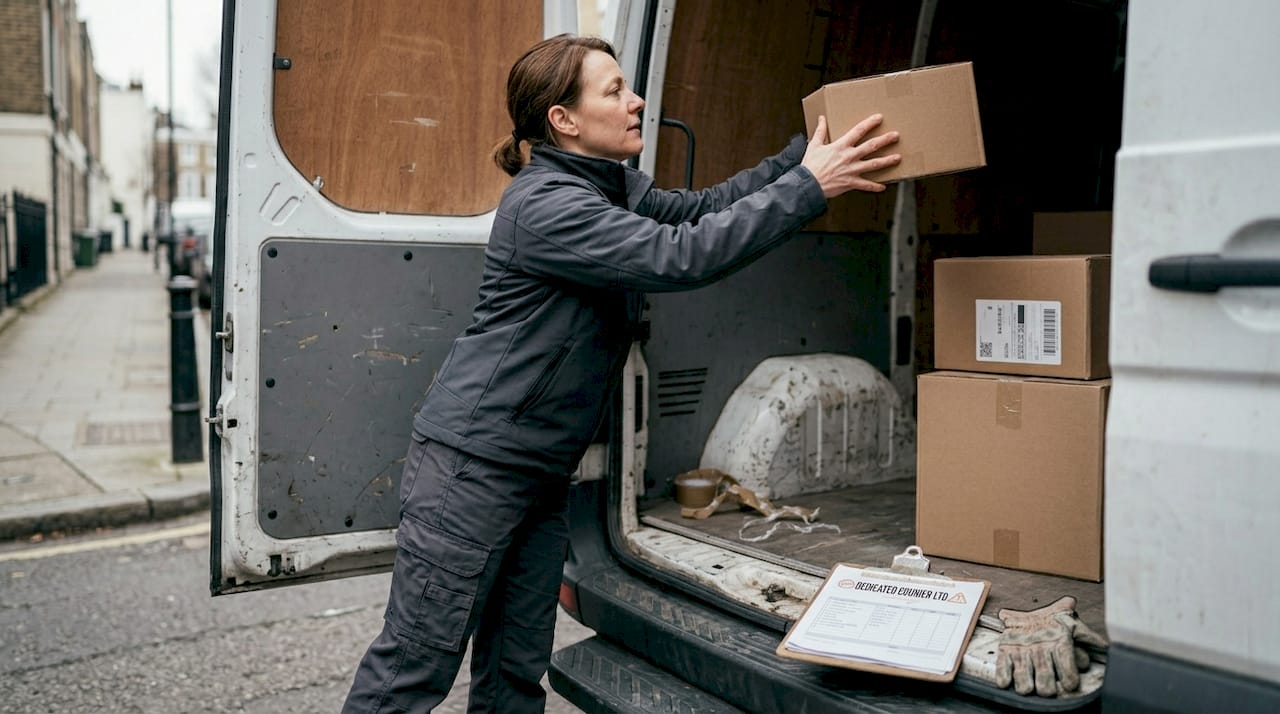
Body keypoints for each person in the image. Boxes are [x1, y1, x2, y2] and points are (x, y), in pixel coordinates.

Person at [343, 33, 900, 713]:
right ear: (563, 120)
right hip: (473, 474)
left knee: (514, 674)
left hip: (536, 476)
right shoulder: (548, 206)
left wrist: (804, 157)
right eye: (614, 91)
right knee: (411, 673)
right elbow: (681, 255)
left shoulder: (610, 188)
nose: (636, 101)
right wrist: (811, 187)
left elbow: (702, 211)